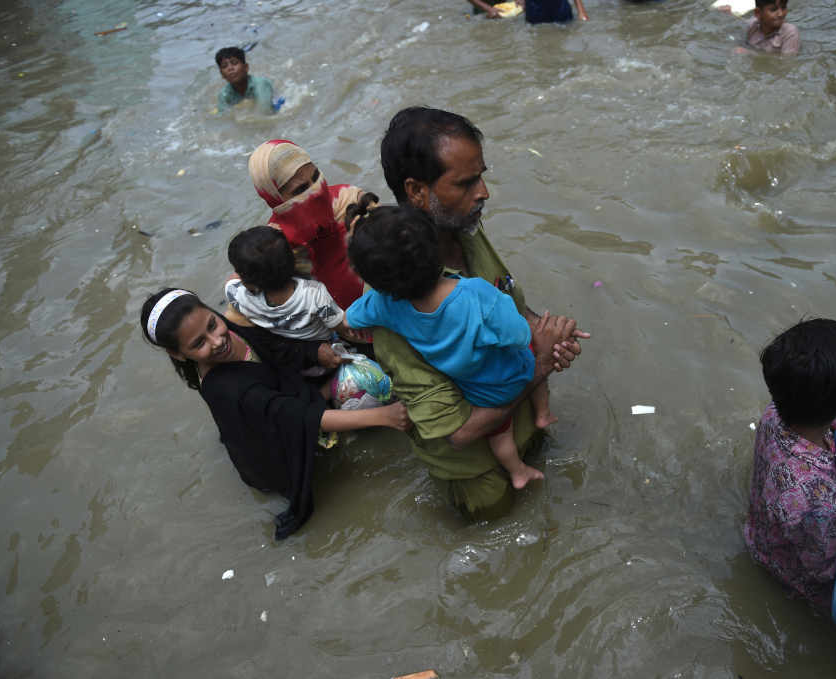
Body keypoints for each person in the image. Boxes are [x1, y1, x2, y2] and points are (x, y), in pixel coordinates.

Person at [372, 106, 590, 521]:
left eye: (481, 175)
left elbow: (504, 296)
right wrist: (540, 362)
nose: (484, 191)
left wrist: (545, 333)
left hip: (522, 419)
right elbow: (458, 433)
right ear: (417, 191)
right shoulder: (396, 294)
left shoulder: (462, 224)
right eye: (467, 182)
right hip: (476, 467)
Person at [141, 288, 411, 540]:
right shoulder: (233, 390)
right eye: (199, 343)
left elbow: (271, 342)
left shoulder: (230, 326)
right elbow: (304, 418)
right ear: (178, 355)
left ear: (212, 312)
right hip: (277, 424)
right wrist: (387, 416)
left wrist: (314, 351)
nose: (218, 340)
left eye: (213, 324)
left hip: (280, 401)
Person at [345, 203, 555, 490]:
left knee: (499, 432)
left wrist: (355, 324)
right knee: (534, 352)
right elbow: (518, 334)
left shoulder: (386, 307)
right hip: (514, 375)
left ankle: (518, 472)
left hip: (475, 393)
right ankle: (542, 413)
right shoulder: (478, 294)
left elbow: (352, 316)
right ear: (436, 248)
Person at [744, 318, 836, 606]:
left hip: (761, 534)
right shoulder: (822, 500)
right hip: (797, 582)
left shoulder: (775, 412)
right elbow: (822, 570)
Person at [247, 140, 373, 312]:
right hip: (344, 332)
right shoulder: (275, 246)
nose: (317, 190)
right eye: (301, 190)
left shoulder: (349, 198)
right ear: (276, 199)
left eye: (315, 177)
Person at [224, 227, 371, 363]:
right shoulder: (314, 292)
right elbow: (339, 323)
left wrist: (249, 271)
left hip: (299, 361)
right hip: (323, 347)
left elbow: (230, 282)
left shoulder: (240, 297)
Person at [215, 47, 275, 114]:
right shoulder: (225, 93)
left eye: (234, 63)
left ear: (246, 67)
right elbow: (222, 118)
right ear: (222, 74)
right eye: (224, 66)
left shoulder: (260, 84)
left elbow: (265, 111)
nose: (230, 68)